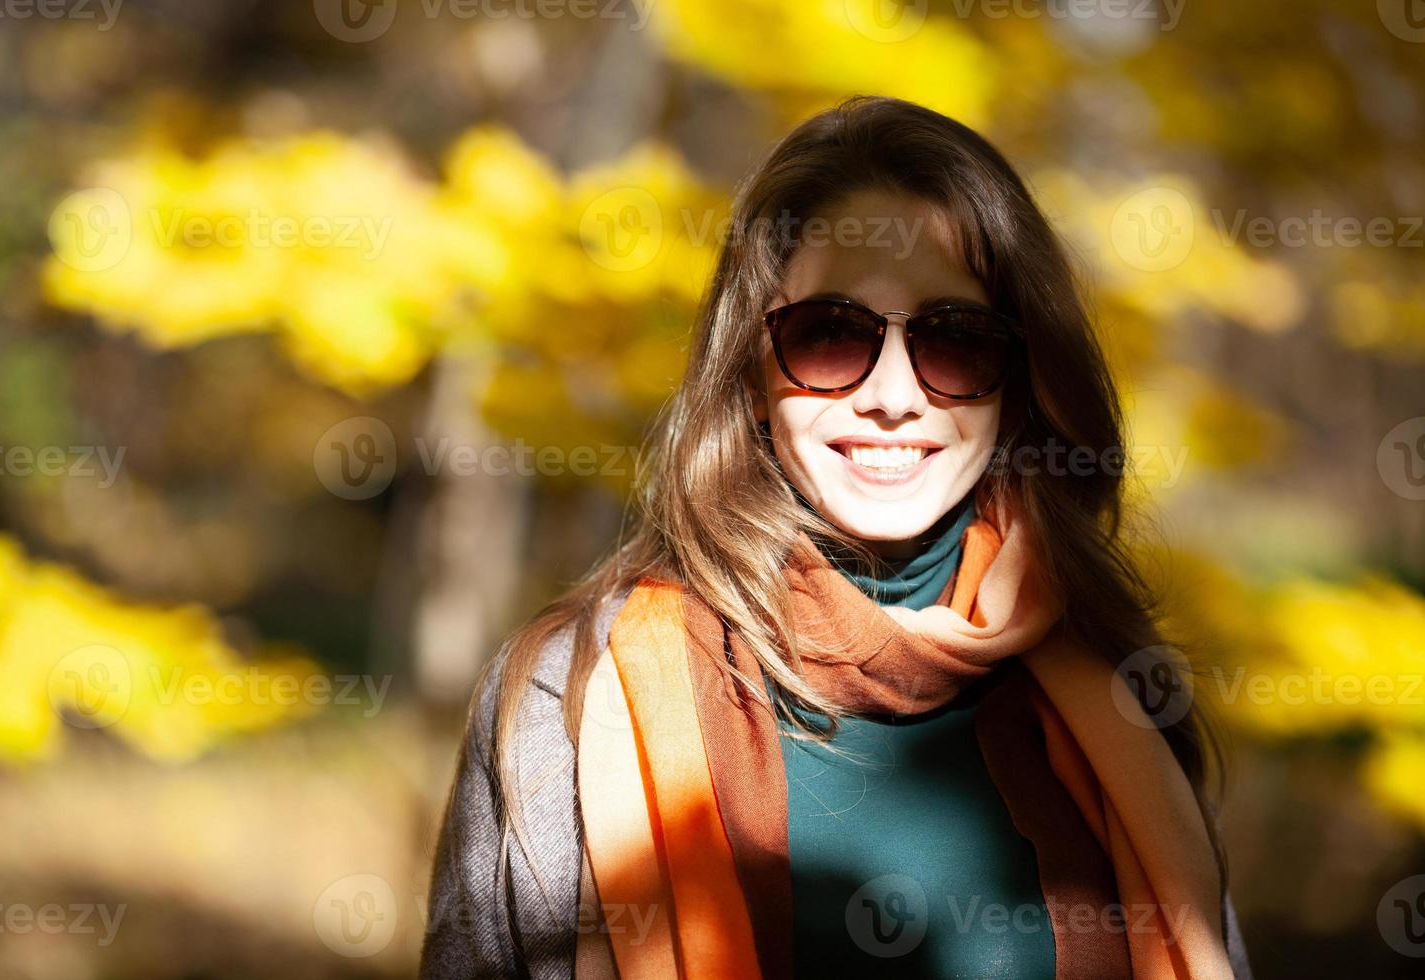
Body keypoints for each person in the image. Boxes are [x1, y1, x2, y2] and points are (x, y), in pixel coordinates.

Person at [420, 94, 1252, 980]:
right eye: (829, 335)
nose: (893, 396)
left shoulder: (1113, 703)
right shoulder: (569, 696)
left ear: (1019, 381)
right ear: (748, 369)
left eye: (956, 340)